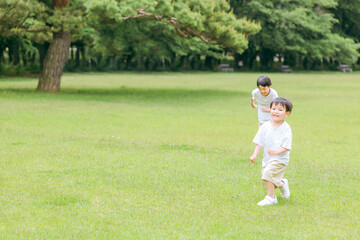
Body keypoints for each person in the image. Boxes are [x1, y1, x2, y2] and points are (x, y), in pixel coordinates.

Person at [250, 97, 293, 206]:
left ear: (286, 113)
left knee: (268, 174)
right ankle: (282, 184)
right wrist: (254, 154)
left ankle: (271, 197)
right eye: (273, 109)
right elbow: (259, 141)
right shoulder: (265, 126)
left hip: (280, 159)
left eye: (280, 110)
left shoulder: (286, 128)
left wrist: (277, 152)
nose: (276, 112)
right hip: (267, 159)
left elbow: (287, 146)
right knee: (267, 181)